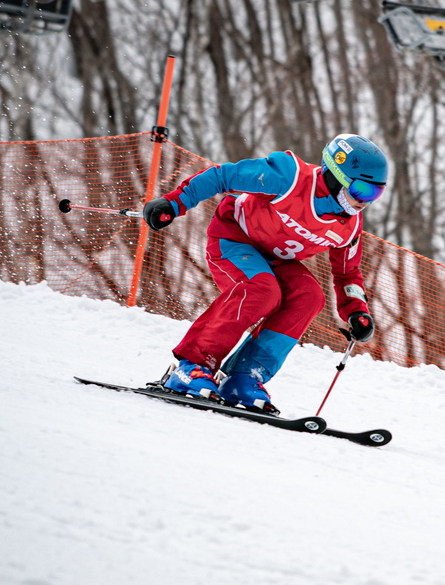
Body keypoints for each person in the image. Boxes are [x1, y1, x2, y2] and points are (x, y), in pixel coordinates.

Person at [141, 133, 387, 413]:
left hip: (275, 260)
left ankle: (245, 376)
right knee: (263, 289)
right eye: (362, 191)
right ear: (336, 176)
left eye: (376, 194)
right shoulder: (289, 178)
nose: (366, 201)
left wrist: (356, 310)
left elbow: (347, 273)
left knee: (309, 297)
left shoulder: (349, 226)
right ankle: (191, 367)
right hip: (233, 240)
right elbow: (223, 176)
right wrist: (175, 203)